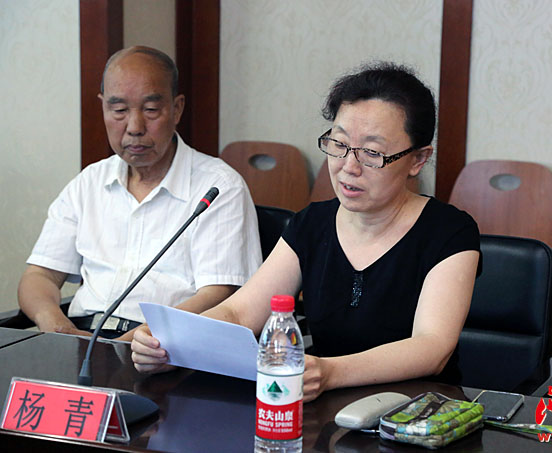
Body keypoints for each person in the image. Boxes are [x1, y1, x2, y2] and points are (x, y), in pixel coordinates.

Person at [131, 62, 480, 402]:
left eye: (372, 153)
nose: (349, 167)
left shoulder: (449, 232)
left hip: (416, 415)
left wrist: (331, 372)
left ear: (418, 159)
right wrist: (174, 344)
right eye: (339, 145)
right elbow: (239, 313)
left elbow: (431, 346)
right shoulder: (312, 224)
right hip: (321, 411)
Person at [18, 46, 262, 341]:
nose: (134, 127)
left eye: (151, 110)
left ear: (177, 109)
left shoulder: (219, 187)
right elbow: (40, 275)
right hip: (82, 339)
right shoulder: (89, 182)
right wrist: (57, 326)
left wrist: (132, 342)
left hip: (166, 347)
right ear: (103, 107)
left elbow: (221, 294)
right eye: (119, 110)